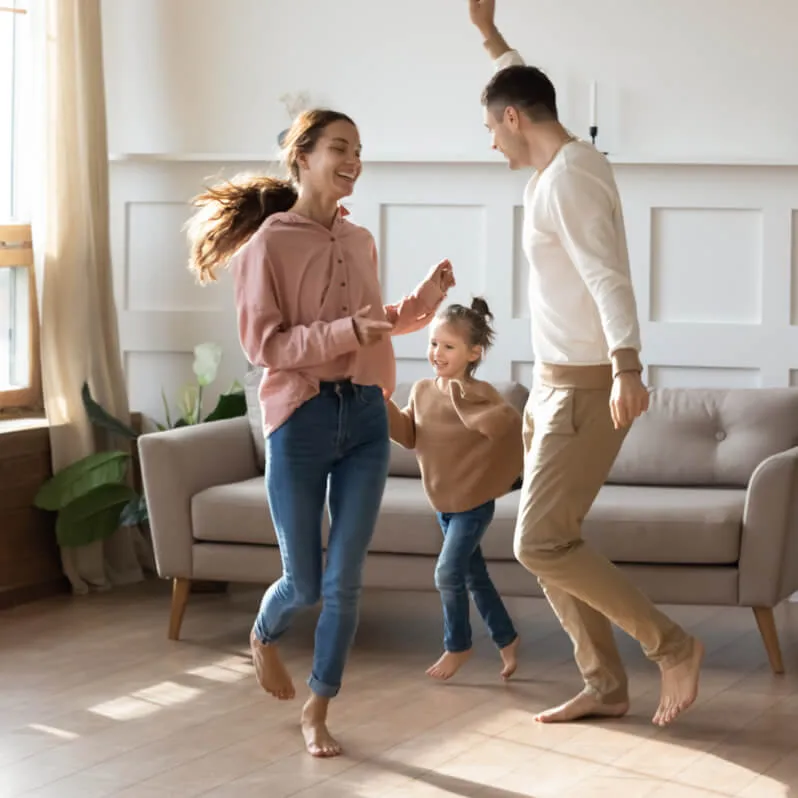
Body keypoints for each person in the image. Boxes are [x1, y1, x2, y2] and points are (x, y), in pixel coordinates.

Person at [185, 108, 455, 757]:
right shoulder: (268, 245)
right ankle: (262, 634)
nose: (353, 159)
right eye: (340, 147)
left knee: (344, 582)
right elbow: (264, 345)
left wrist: (419, 305)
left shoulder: (360, 241)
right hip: (299, 421)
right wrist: (344, 334)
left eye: (359, 149)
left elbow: (368, 322)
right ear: (301, 155)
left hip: (363, 415)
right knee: (302, 582)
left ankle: (319, 707)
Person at [467, 0, 703, 728]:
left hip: (585, 388)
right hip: (550, 385)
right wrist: (491, 37)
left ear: (514, 119)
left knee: (537, 539)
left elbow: (608, 277)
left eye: (491, 129)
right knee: (549, 546)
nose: (491, 146)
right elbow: (517, 81)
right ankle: (603, 685)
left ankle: (673, 647)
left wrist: (629, 367)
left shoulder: (569, 177)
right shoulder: (559, 162)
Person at [388, 298, 523, 682]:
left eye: (448, 346)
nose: (437, 353)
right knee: (472, 576)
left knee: (447, 573)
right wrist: (382, 408)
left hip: (473, 503)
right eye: (434, 344)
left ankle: (457, 644)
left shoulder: (481, 394)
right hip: (442, 502)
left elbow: (503, 427)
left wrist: (463, 402)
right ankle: (508, 638)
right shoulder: (421, 390)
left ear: (473, 352)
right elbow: (410, 435)